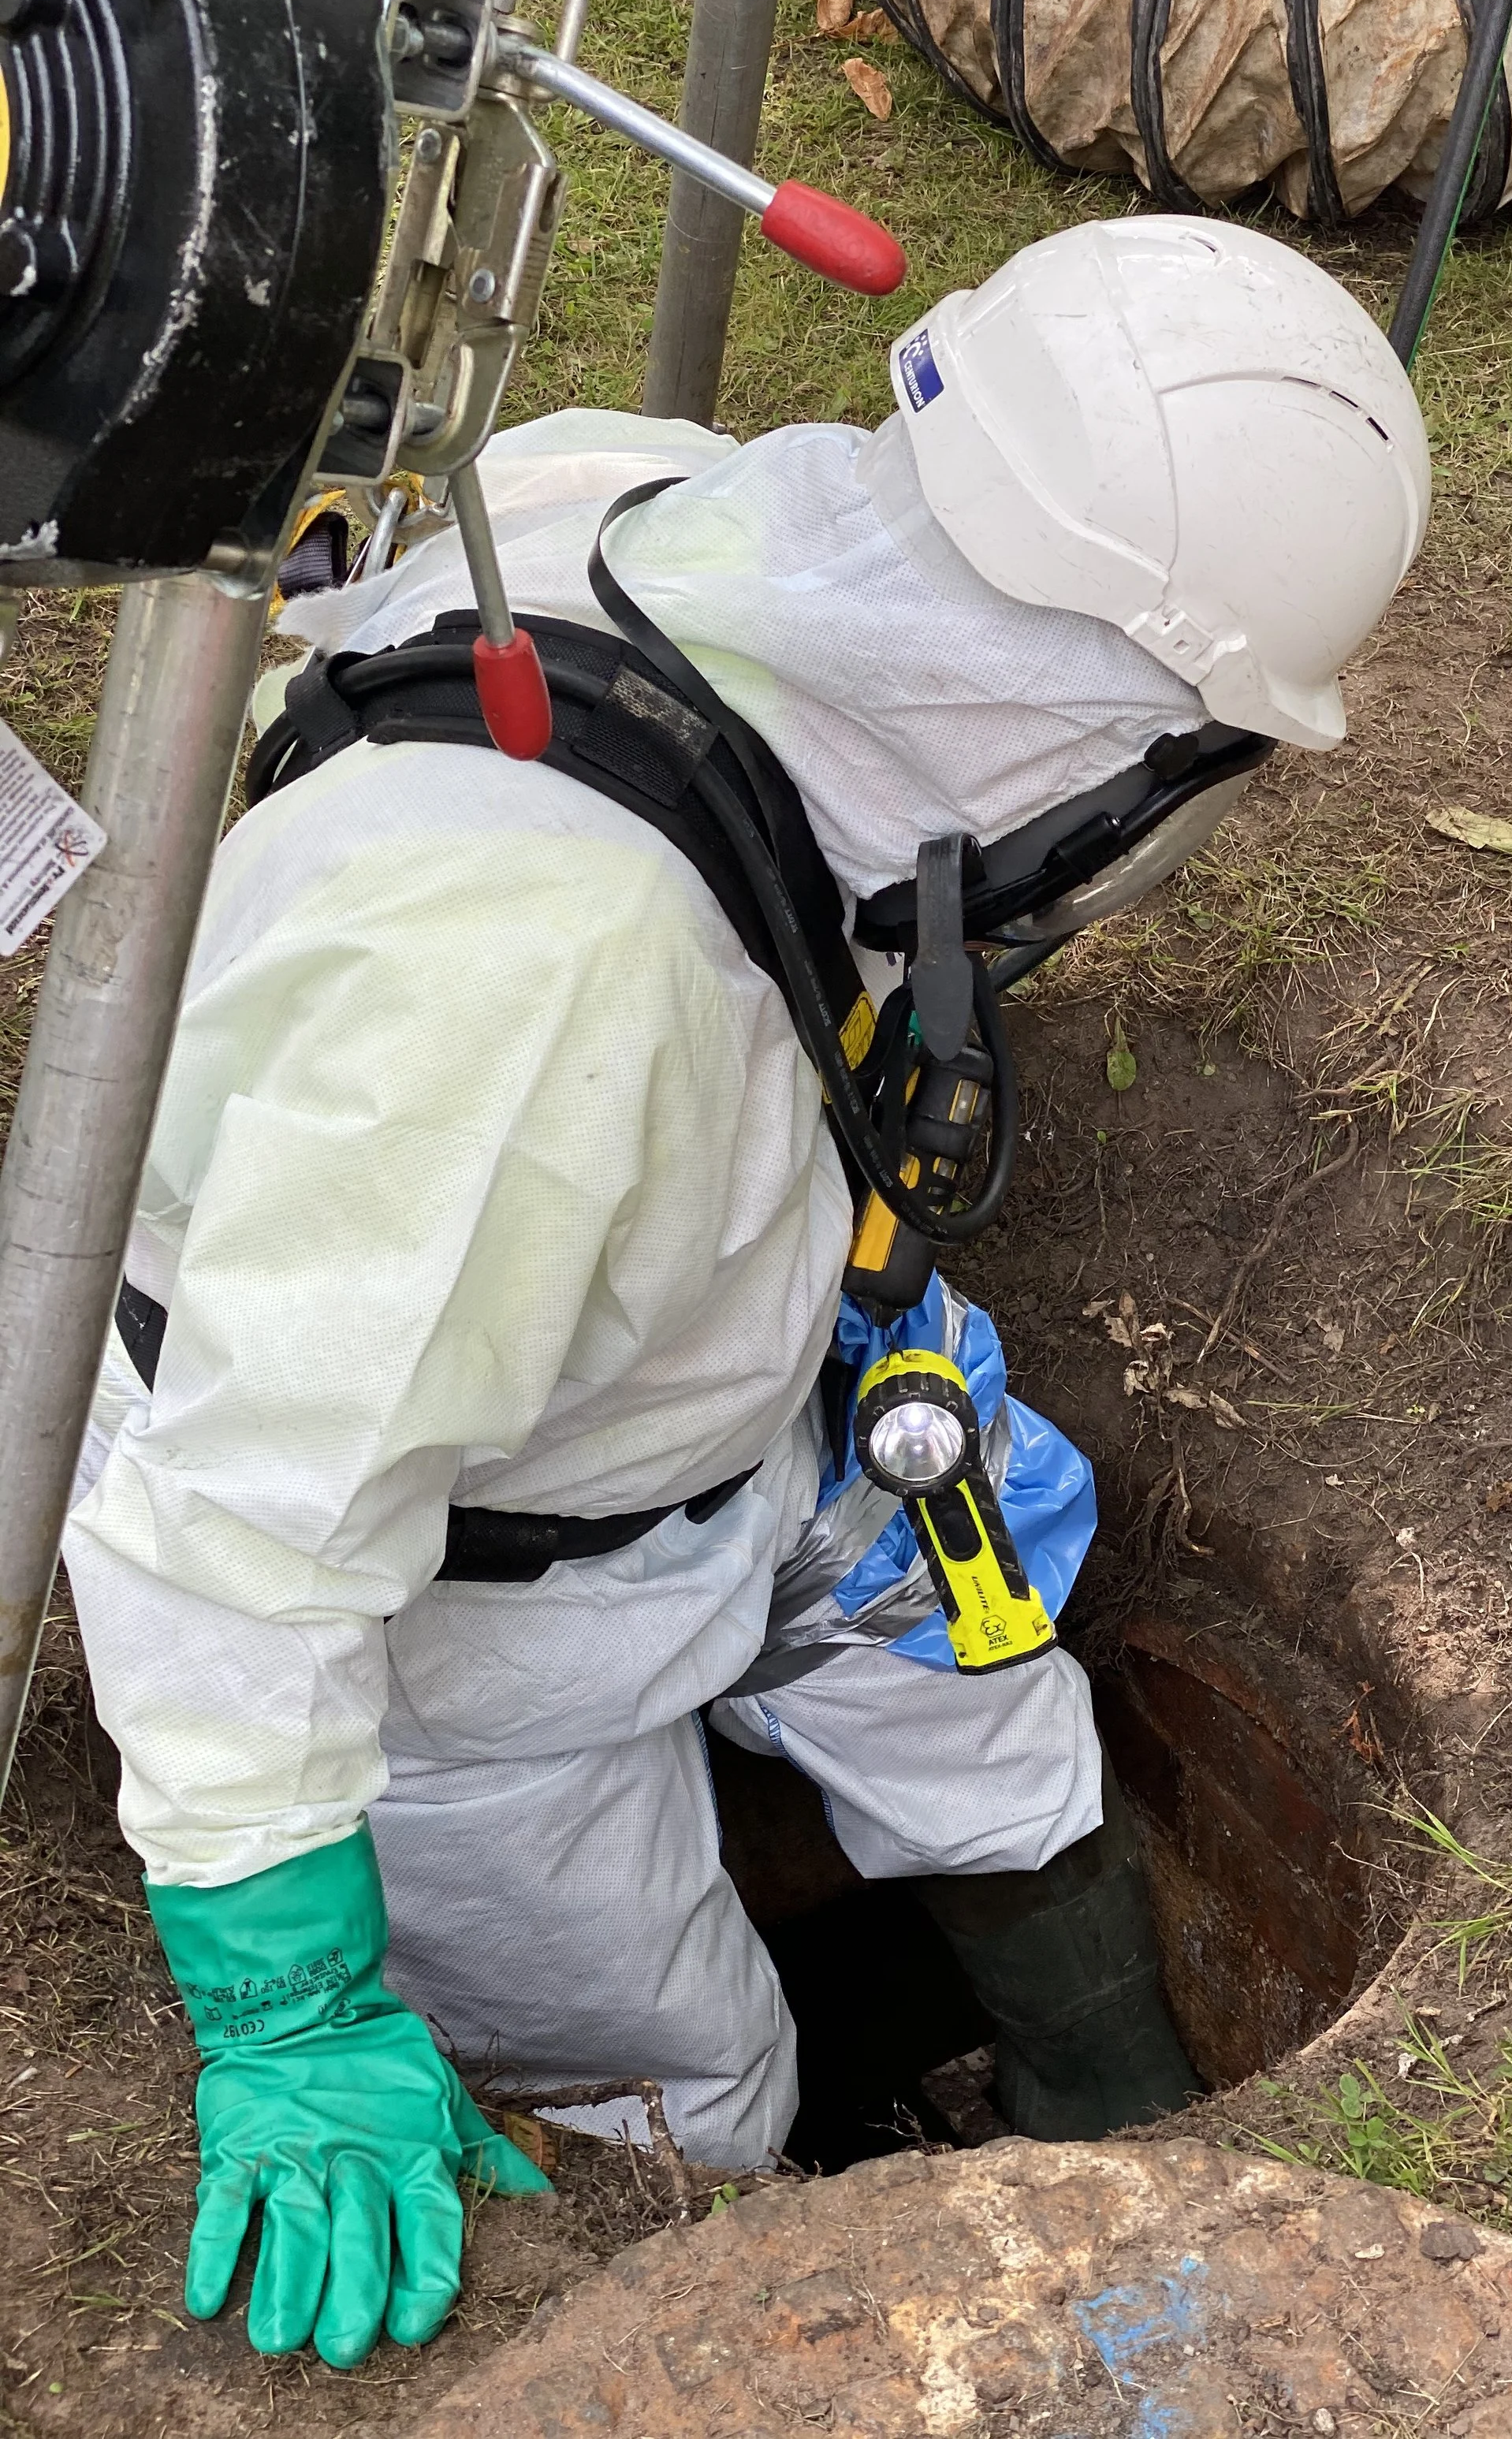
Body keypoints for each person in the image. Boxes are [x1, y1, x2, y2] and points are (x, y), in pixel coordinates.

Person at [61, 215, 1429, 2370]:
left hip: (705, 1378)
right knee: (693, 2081)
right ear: (1132, 726)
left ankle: (1110, 2110)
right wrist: (292, 2001)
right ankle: (716, 2219)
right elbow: (245, 1526)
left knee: (992, 1718)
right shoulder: (512, 996)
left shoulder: (625, 496)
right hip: (458, 1602)